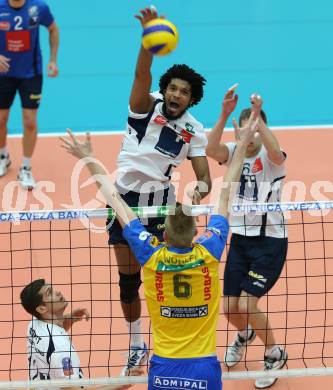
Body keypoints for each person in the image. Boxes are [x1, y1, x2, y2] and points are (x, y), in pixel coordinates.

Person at [60, 110, 258, 389]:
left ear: (163, 233)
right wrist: (242, 147)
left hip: (164, 366)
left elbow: (115, 199)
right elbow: (226, 193)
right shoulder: (209, 249)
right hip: (204, 367)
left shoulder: (152, 254)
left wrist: (88, 158)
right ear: (196, 233)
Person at [106, 5, 211, 374]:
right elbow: (140, 73)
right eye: (172, 88)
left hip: (160, 203)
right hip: (123, 198)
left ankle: (172, 339)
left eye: (184, 92)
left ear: (192, 98)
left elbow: (203, 174)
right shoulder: (144, 107)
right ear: (164, 89)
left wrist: (200, 187)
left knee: (162, 275)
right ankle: (137, 343)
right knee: (128, 281)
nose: (176, 94)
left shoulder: (195, 130)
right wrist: (148, 40)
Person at [206, 85, 288, 389]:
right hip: (239, 239)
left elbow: (277, 153)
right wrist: (224, 114)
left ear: (261, 129)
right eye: (244, 130)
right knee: (229, 309)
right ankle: (245, 334)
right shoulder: (234, 153)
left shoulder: (270, 158)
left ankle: (274, 353)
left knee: (247, 304)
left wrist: (258, 118)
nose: (248, 137)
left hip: (270, 241)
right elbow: (211, 149)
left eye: (254, 131)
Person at [20, 279, 135, 389]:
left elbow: (52, 333)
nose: (58, 292)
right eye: (50, 293)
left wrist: (70, 318)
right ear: (41, 309)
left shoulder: (34, 325)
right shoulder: (60, 350)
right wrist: (122, 382)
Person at [0, 0, 59, 190]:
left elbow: (53, 29)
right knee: (1, 119)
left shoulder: (38, 7)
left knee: (30, 122)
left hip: (31, 74)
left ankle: (25, 167)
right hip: (3, 73)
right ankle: (3, 156)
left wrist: (52, 60)